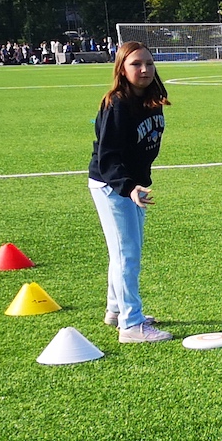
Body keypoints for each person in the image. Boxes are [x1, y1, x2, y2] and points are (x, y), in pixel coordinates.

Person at [89, 42, 171, 343]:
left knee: (124, 251)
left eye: (149, 63)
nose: (145, 69)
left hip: (133, 185)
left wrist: (138, 183)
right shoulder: (117, 104)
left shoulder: (151, 100)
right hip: (113, 186)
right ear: (122, 69)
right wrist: (127, 187)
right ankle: (131, 325)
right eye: (136, 64)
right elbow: (107, 156)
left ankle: (116, 310)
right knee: (127, 254)